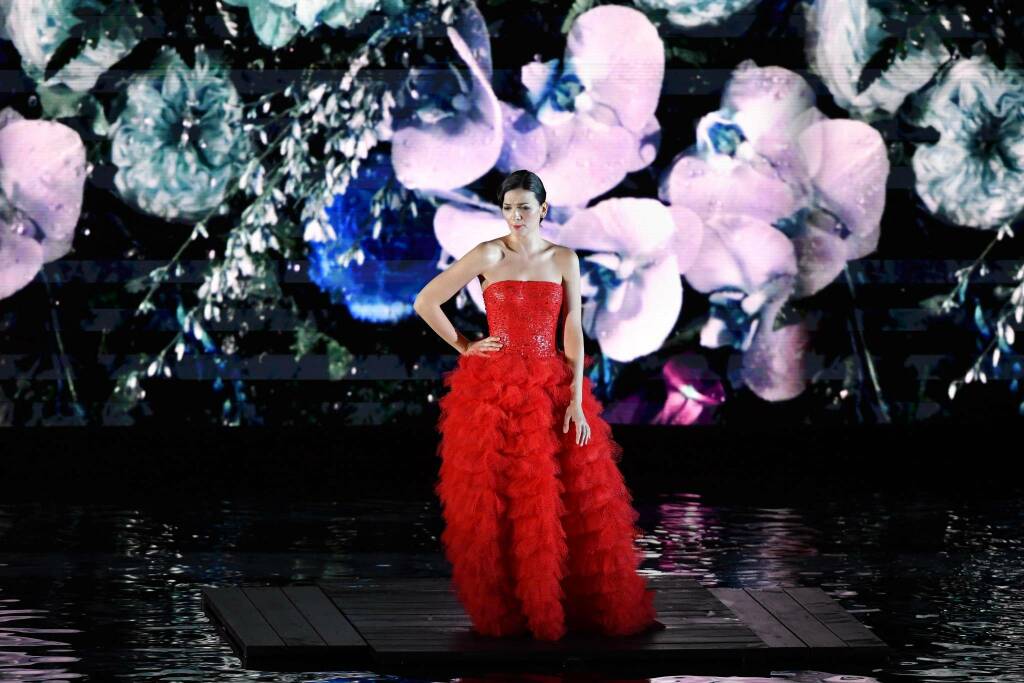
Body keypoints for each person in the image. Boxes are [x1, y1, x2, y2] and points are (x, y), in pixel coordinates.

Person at [413, 170, 660, 641]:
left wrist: (576, 400)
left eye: (525, 207)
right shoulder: (489, 253)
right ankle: (512, 608)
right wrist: (465, 345)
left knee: (563, 499)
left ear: (543, 210)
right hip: (495, 391)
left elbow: (573, 328)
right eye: (509, 208)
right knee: (502, 500)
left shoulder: (563, 258)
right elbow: (427, 300)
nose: (516, 216)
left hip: (551, 383)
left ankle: (561, 606)